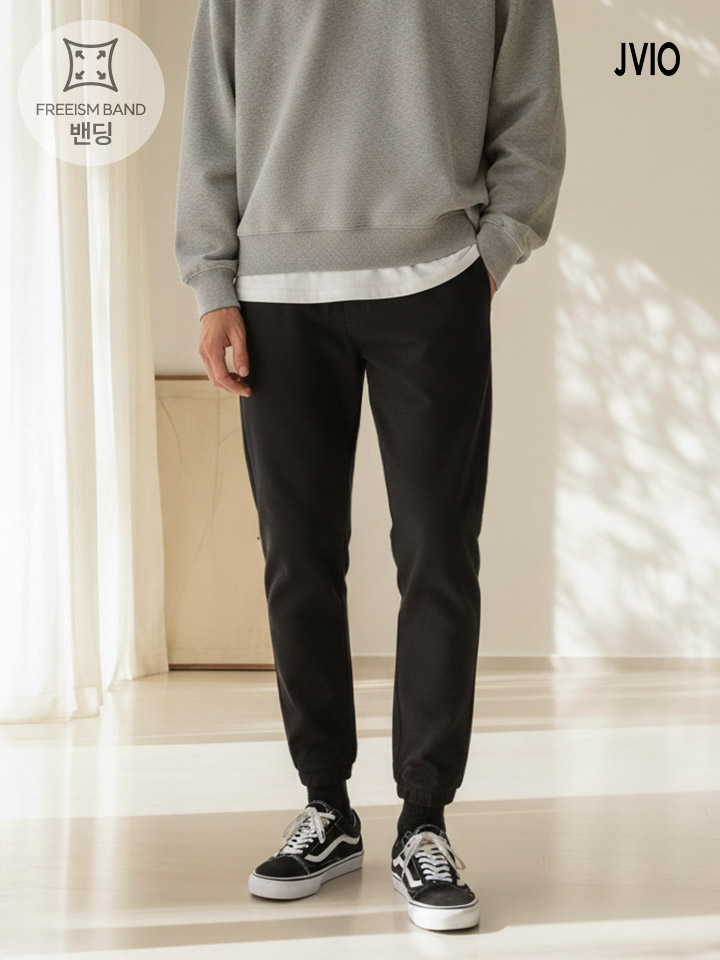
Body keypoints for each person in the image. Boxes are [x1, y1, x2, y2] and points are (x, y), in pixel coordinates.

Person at [175, 0, 566, 933]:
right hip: (276, 290)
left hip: (433, 279)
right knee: (297, 558)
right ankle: (327, 807)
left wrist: (491, 252)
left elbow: (530, 109)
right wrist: (211, 282)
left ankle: (425, 819)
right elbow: (213, 118)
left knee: (438, 553)